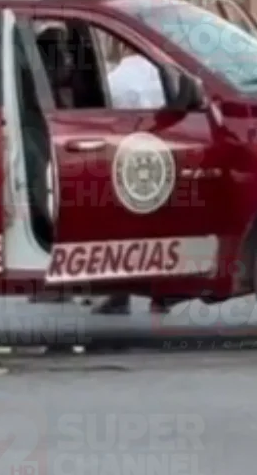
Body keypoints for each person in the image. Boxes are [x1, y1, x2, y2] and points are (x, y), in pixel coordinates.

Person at [95, 51, 169, 316]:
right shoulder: (167, 73)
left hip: (126, 155)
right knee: (158, 222)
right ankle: (161, 295)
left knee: (122, 226)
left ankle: (120, 293)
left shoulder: (119, 77)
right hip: (163, 153)